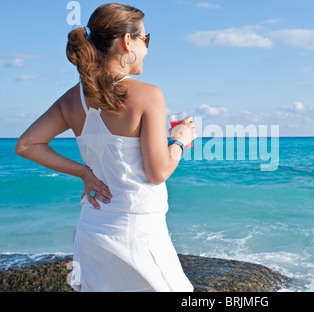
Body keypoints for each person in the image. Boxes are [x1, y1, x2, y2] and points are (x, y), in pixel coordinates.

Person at [15, 3, 196, 292]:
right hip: (139, 233)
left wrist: (84, 174)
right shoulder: (148, 94)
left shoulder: (72, 99)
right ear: (128, 41)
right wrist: (180, 141)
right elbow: (158, 171)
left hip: (92, 231)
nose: (147, 48)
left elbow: (26, 145)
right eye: (145, 39)